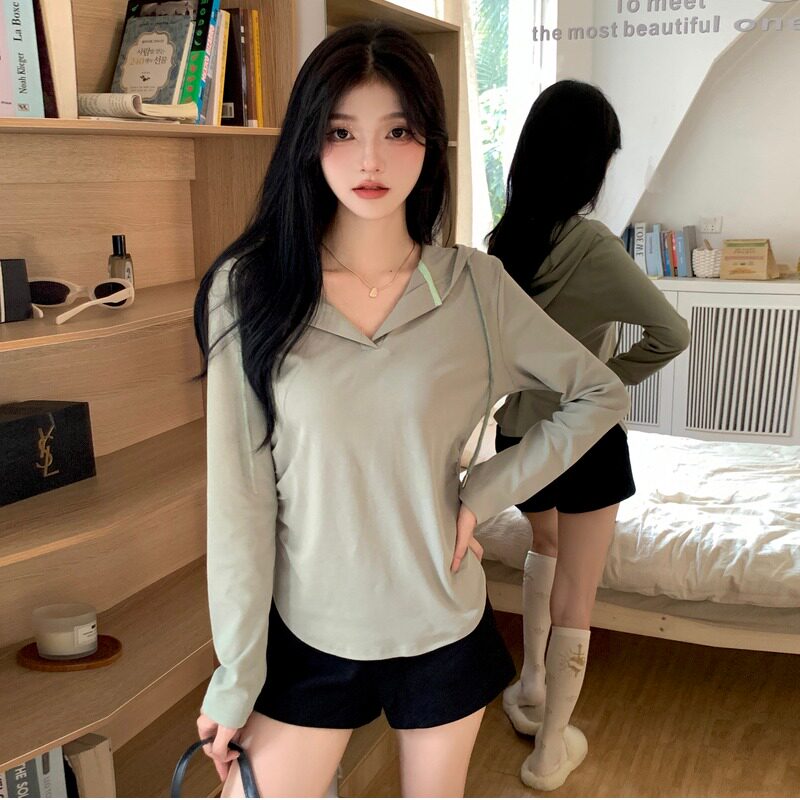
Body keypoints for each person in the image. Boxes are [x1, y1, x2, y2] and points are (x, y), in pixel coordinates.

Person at [192, 27, 630, 798]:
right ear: (309, 141)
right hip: (311, 628)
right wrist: (236, 675)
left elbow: (599, 392)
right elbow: (241, 500)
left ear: (430, 142)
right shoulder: (252, 287)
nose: (370, 160)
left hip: (440, 623)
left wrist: (486, 489)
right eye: (342, 132)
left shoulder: (475, 289)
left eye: (397, 131)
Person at [487, 79, 692, 791]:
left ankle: (531, 685)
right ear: (591, 164)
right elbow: (672, 334)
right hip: (583, 443)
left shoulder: (502, 243)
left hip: (518, 439)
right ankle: (549, 753)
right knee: (578, 592)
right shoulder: (593, 248)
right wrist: (606, 382)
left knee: (543, 548)